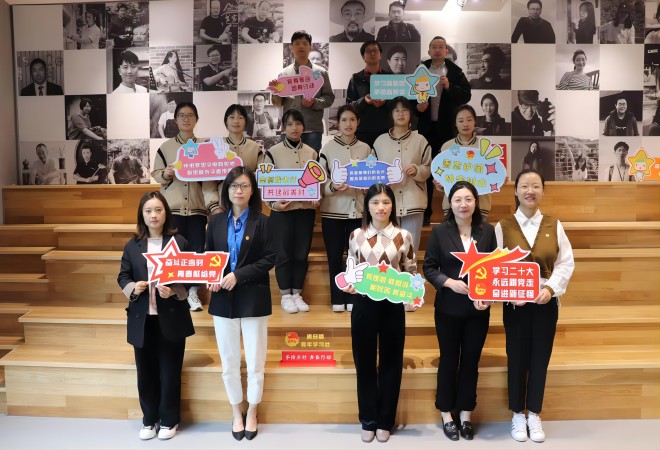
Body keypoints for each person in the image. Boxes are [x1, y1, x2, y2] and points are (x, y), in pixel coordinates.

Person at [495, 169, 575, 443]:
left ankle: (534, 413)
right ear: (516, 191)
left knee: (541, 357)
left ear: (542, 191)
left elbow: (565, 263)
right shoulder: (503, 226)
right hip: (515, 305)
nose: (530, 191)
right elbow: (494, 267)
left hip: (545, 303)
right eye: (525, 186)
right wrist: (509, 293)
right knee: (516, 356)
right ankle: (518, 413)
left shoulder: (555, 225)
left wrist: (550, 288)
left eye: (536, 186)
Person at [337, 183, 418, 443]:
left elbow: (411, 270)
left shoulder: (404, 235)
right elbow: (350, 268)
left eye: (385, 202)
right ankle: (368, 419)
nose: (380, 207)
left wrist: (413, 294)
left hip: (393, 305)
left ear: (393, 205)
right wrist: (349, 284)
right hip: (364, 304)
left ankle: (385, 420)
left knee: (391, 362)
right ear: (367, 206)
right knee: (364, 362)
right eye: (375, 202)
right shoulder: (356, 235)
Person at [423, 181, 497, 441]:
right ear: (450, 204)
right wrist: (449, 282)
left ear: (476, 202)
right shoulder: (440, 232)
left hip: (478, 311)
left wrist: (488, 297)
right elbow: (429, 267)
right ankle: (446, 413)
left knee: (471, 362)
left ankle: (466, 414)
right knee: (448, 360)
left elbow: (494, 269)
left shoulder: (487, 231)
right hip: (448, 309)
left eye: (468, 199)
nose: (463, 204)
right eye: (457, 200)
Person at [117, 191, 194, 441]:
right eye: (148, 210)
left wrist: (174, 291)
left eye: (158, 210)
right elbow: (123, 276)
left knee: (170, 372)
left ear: (166, 213)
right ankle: (149, 419)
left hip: (171, 317)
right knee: (145, 372)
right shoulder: (132, 245)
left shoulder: (179, 242)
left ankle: (169, 420)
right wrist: (133, 288)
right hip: (142, 319)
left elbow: (189, 279)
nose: (153, 215)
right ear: (142, 214)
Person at [206, 167, 275, 442]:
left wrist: (238, 275)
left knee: (256, 361)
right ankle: (236, 411)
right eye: (234, 185)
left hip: (254, 298)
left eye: (245, 186)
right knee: (229, 361)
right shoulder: (215, 222)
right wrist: (212, 277)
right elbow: (209, 256)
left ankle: (253, 410)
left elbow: (269, 258)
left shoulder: (264, 221)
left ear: (252, 190)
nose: (239, 190)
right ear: (227, 189)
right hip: (223, 300)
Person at [151, 102, 207, 312]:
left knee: (196, 253)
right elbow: (156, 174)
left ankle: (192, 293)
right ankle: (173, 292)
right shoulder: (166, 147)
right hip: (173, 209)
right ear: (175, 120)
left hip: (198, 208)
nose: (186, 119)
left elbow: (212, 177)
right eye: (182, 115)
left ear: (196, 119)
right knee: (173, 253)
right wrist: (165, 174)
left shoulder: (205, 147)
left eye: (190, 115)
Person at [263, 109, 318, 314]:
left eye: (298, 123)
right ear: (283, 128)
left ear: (303, 127)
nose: (295, 128)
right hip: (282, 213)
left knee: (301, 254)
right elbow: (265, 184)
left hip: (305, 211)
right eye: (290, 124)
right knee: (283, 254)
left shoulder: (312, 153)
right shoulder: (273, 152)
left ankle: (297, 294)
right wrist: (274, 204)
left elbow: (318, 180)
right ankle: (286, 295)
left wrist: (317, 195)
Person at [319, 105, 372, 313]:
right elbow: (319, 180)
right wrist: (332, 186)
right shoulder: (327, 149)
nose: (348, 124)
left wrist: (368, 188)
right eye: (343, 120)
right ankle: (337, 298)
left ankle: (353, 297)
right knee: (334, 256)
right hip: (332, 211)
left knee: (356, 257)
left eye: (352, 120)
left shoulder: (366, 149)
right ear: (337, 124)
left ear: (358, 122)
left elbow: (373, 177)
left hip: (358, 212)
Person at [416, 36, 471, 226]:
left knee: (450, 169)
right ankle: (425, 214)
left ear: (446, 51)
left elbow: (466, 95)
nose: (437, 50)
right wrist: (418, 107)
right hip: (426, 129)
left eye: (441, 47)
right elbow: (411, 96)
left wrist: (449, 87)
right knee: (426, 170)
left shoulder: (455, 71)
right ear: (429, 51)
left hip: (447, 129)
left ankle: (451, 213)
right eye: (434, 47)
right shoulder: (421, 69)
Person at [373, 97, 430, 254]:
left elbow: (428, 168)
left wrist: (417, 171)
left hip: (413, 202)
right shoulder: (380, 142)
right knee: (388, 253)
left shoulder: (420, 140)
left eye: (405, 110)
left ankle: (410, 272)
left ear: (410, 114)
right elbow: (374, 170)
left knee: (410, 251)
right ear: (391, 115)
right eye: (396, 110)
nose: (401, 114)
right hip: (386, 205)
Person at [268, 30, 334, 152]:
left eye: (305, 43)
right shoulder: (284, 74)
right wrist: (275, 92)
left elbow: (329, 98)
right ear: (291, 48)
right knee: (288, 162)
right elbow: (278, 103)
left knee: (311, 161)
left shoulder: (320, 73)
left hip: (312, 129)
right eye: (297, 43)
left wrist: (314, 102)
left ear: (310, 47)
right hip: (289, 129)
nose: (301, 46)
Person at [203, 104, 263, 214]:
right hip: (222, 208)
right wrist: (214, 207)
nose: (236, 121)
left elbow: (262, 177)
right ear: (226, 122)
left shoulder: (255, 148)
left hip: (249, 208)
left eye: (240, 117)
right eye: (231, 117)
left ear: (245, 122)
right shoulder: (215, 147)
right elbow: (208, 184)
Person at [437, 105, 491, 220]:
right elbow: (441, 175)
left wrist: (499, 179)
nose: (465, 124)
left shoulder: (485, 146)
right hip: (452, 206)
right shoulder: (447, 147)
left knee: (478, 233)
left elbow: (492, 174)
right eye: (461, 121)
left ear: (475, 121)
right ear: (455, 123)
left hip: (479, 206)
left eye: (469, 120)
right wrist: (439, 184)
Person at [347, 40, 391, 147]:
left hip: (386, 131)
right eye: (368, 51)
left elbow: (397, 104)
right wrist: (364, 101)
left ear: (380, 55)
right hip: (362, 132)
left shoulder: (389, 77)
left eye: (375, 51)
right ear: (363, 56)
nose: (372, 53)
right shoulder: (356, 78)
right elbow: (349, 105)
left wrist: (385, 102)